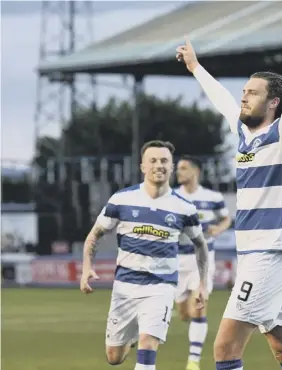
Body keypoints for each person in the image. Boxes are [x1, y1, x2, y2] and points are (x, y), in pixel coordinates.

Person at [176, 10, 282, 370]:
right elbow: (220, 97)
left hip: (271, 254)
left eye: (252, 93)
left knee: (224, 348)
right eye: (244, 92)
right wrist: (195, 67)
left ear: (273, 104)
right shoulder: (243, 134)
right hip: (252, 255)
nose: (243, 98)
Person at [79, 140, 209, 370]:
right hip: (125, 287)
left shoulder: (184, 208)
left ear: (171, 167)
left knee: (148, 344)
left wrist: (202, 283)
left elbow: (201, 245)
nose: (159, 165)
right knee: (114, 357)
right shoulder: (121, 199)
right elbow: (94, 235)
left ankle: (144, 334)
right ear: (143, 167)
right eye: (153, 161)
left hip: (161, 286)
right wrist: (87, 267)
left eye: (164, 161)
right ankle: (129, 338)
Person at [174, 155, 232, 370]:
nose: (178, 172)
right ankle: (187, 314)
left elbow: (226, 218)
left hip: (203, 259)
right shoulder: (172, 197)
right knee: (184, 313)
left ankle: (193, 361)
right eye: (178, 168)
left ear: (196, 171)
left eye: (183, 168)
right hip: (178, 260)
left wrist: (219, 228)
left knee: (199, 307)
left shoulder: (213, 197)